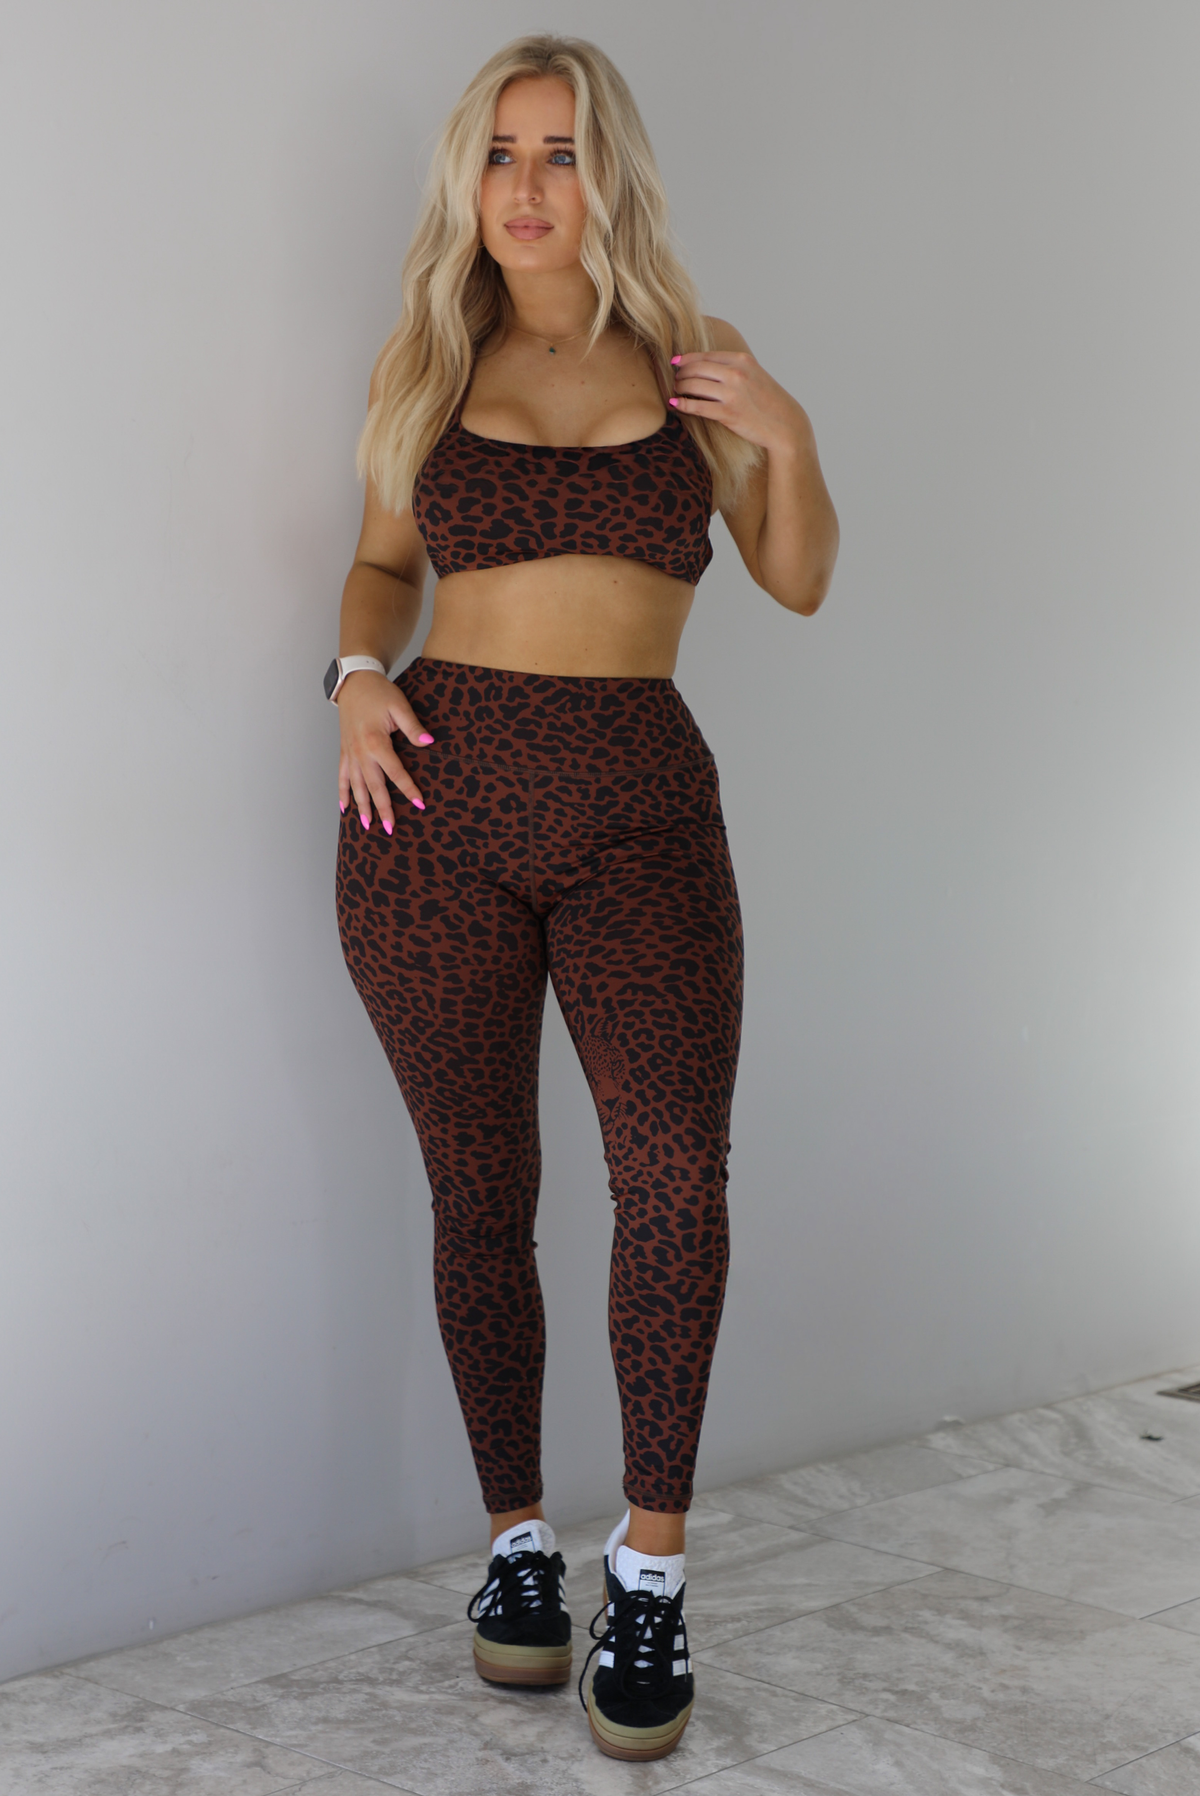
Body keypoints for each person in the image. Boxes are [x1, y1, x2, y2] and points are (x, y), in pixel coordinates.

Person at [327, 33, 837, 1763]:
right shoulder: (427, 356)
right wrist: (348, 674)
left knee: (673, 1171)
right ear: (468, 183)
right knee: (483, 1191)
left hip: (641, 817)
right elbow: (389, 560)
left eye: (561, 153)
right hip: (433, 809)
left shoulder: (703, 362)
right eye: (502, 155)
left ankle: (654, 1572)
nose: (531, 187)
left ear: (607, 172)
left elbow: (800, 580)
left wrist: (787, 429)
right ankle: (518, 1557)